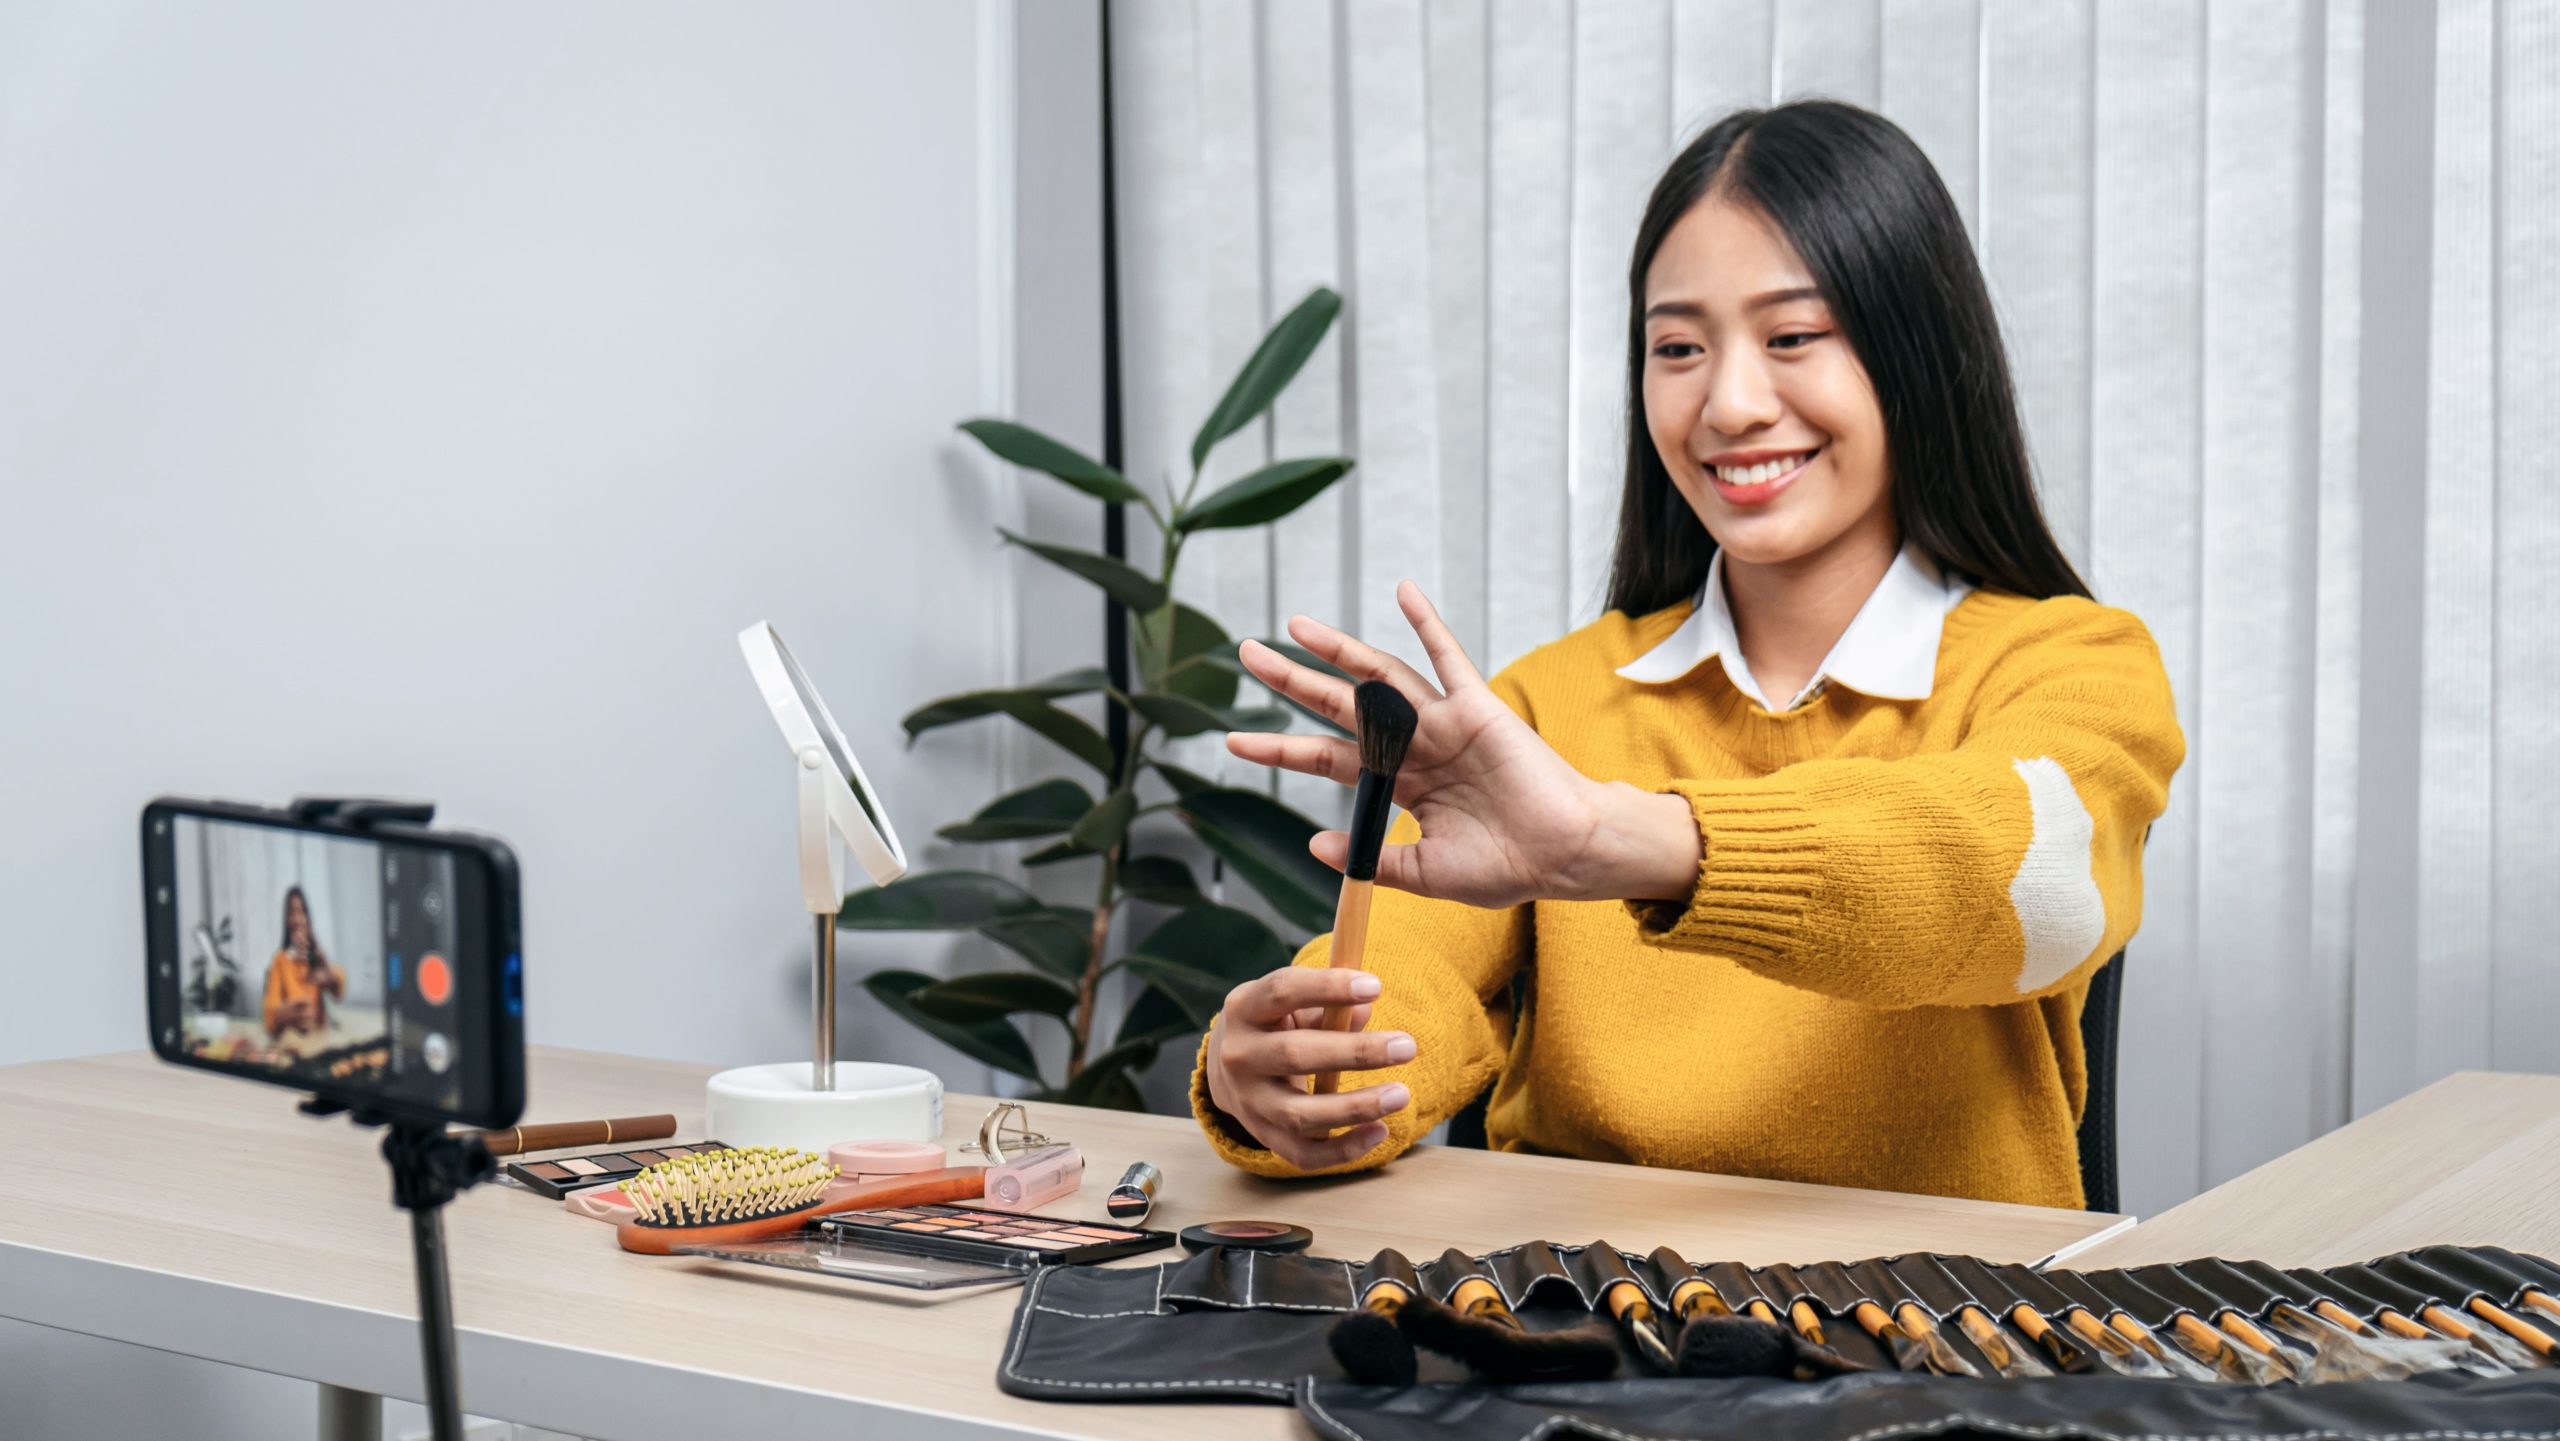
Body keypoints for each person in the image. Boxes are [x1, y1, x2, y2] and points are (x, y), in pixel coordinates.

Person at [1194, 101, 2185, 1210]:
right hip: (1573, 1330)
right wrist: (1286, 1077)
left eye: (1793, 336)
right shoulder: (1549, 701)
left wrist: (1617, 841)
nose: (1729, 403)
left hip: (1930, 1339)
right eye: (1678, 348)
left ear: (1917, 355)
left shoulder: (2075, 663)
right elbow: (1404, 985)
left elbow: (2015, 881)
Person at [260, 885, 345, 1040]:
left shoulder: (317, 957)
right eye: (292, 913)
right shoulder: (280, 960)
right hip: (291, 1045)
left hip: (319, 1044)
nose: (298, 920)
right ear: (286, 920)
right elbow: (270, 1019)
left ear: (308, 918)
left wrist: (328, 973)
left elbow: (338, 988)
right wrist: (285, 1014)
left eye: (302, 912)